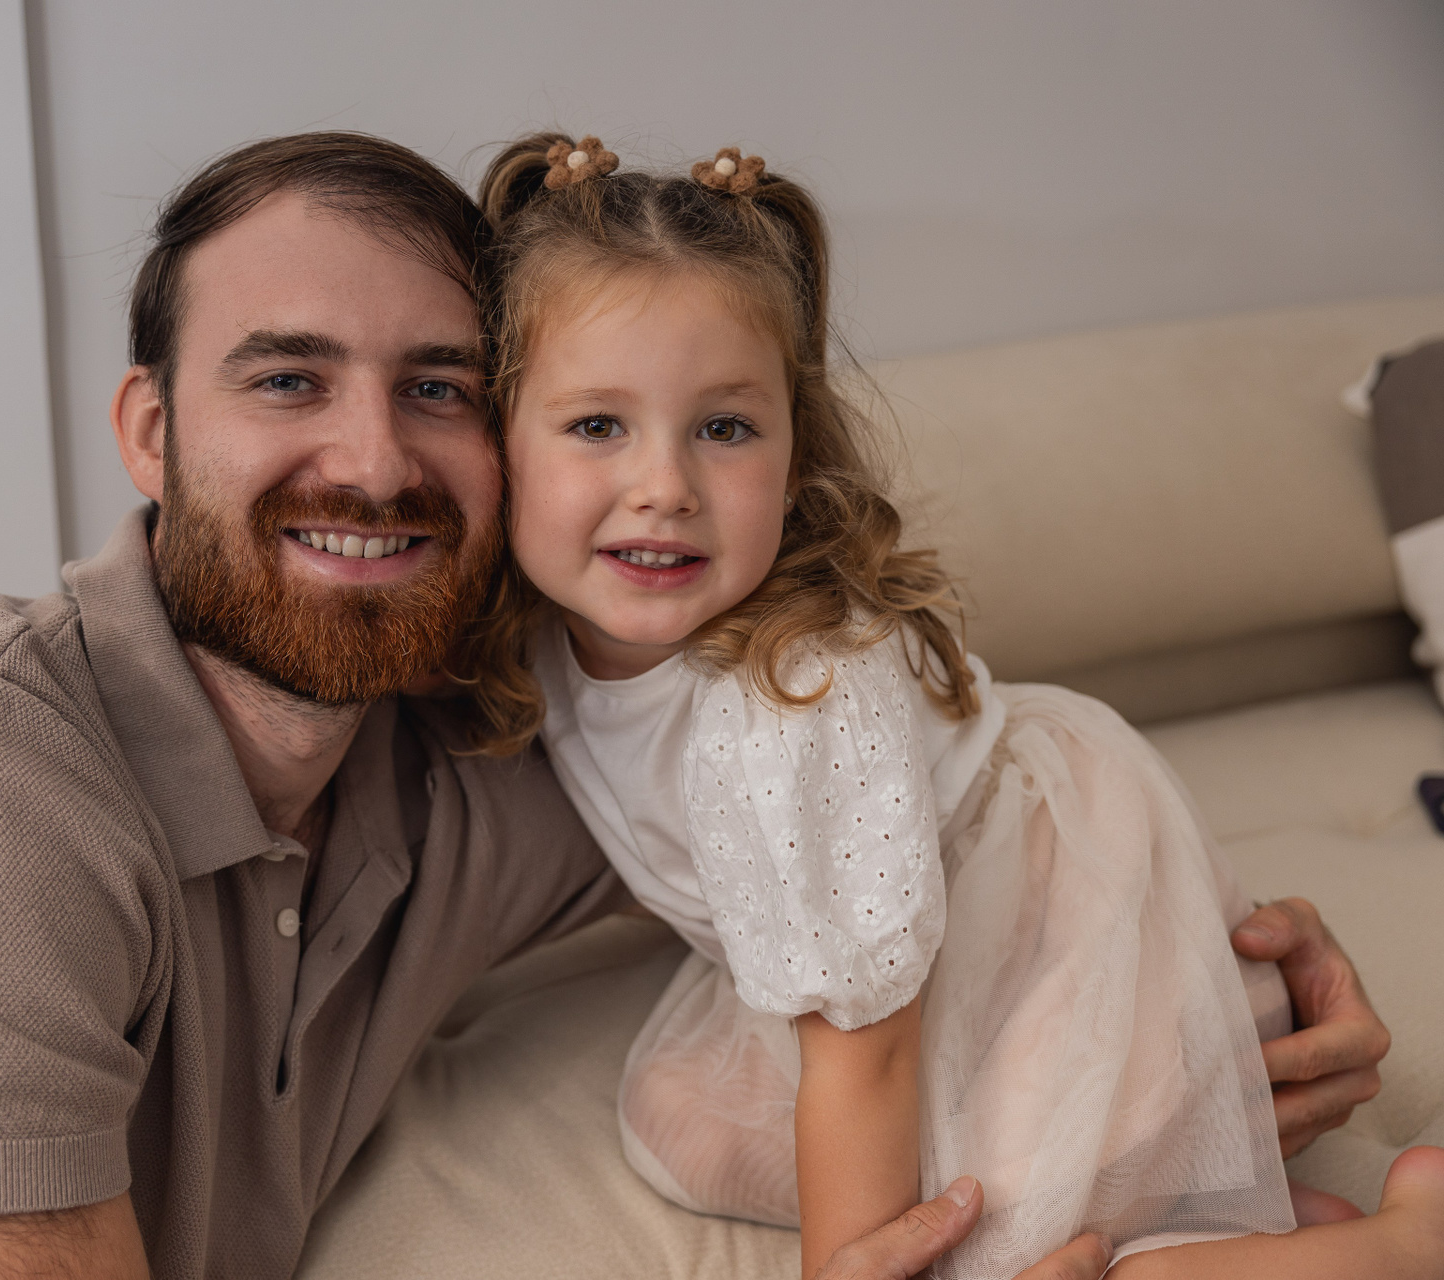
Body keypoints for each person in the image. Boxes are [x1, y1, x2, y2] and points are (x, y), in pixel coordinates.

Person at [0, 132, 1397, 1280]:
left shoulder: (485, 742)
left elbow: (875, 843)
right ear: (150, 432)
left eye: (436, 387)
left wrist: (1205, 986)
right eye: (286, 379)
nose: (371, 457)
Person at [460, 132, 1444, 1279]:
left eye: (725, 427)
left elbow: (866, 1049)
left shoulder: (792, 696)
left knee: (1007, 1253)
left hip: (1054, 938)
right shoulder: (541, 632)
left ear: (795, 450)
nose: (664, 487)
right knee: (679, 1123)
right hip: (899, 976)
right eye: (596, 424)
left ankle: (1393, 1243)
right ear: (496, 443)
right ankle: (1238, 1211)